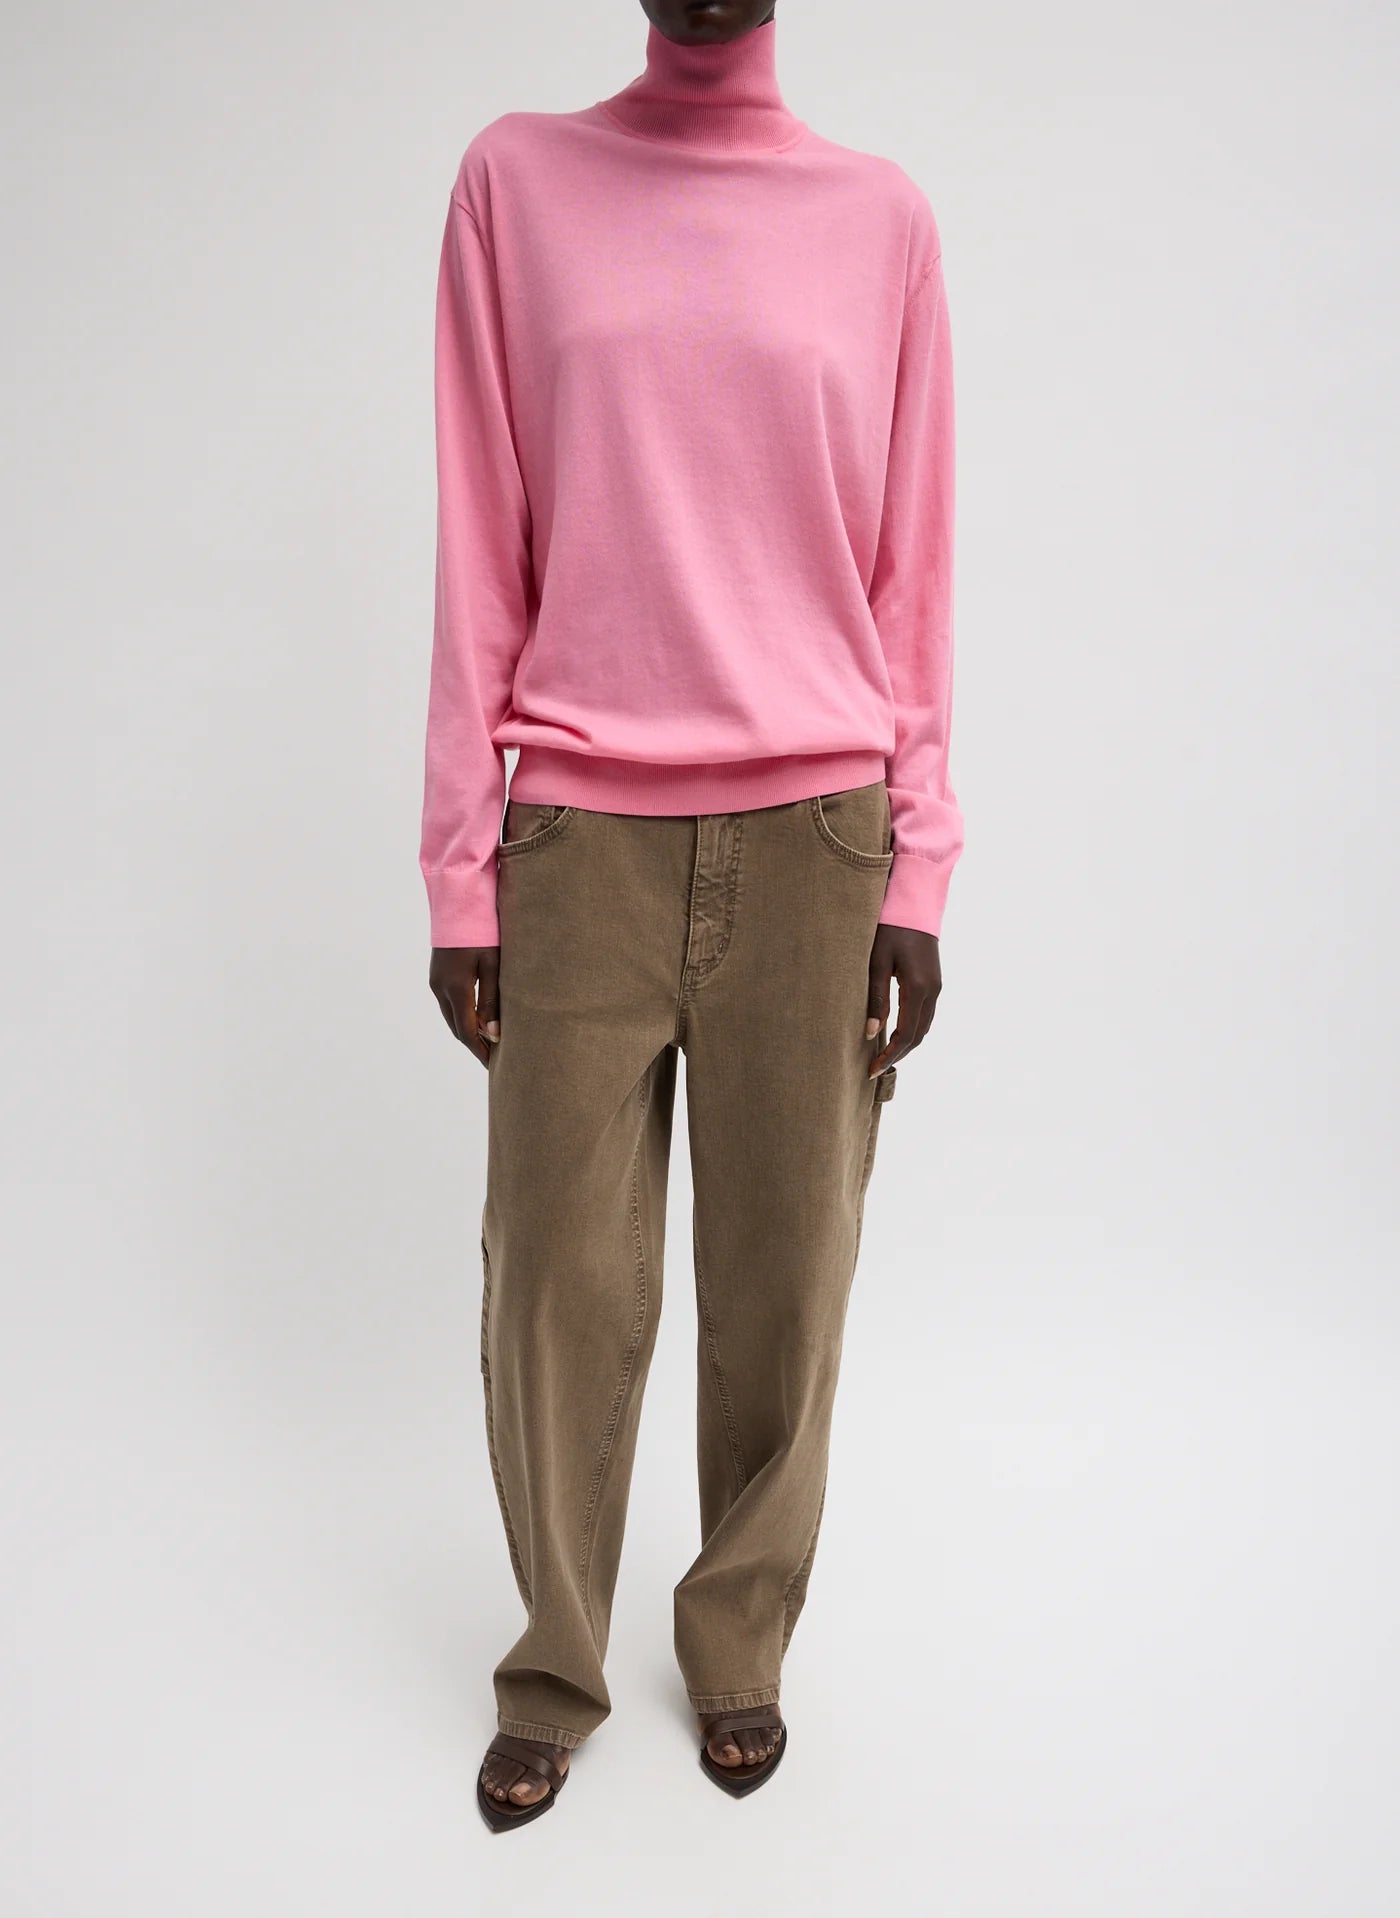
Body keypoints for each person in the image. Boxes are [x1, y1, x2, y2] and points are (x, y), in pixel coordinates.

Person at [421, 0, 962, 1831]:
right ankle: (556, 1659)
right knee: (552, 1288)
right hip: (577, 831)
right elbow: (479, 539)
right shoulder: (517, 184)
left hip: (819, 836)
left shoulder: (882, 220)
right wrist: (462, 863)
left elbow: (914, 570)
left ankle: (739, 1637)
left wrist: (919, 861)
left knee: (787, 1282)